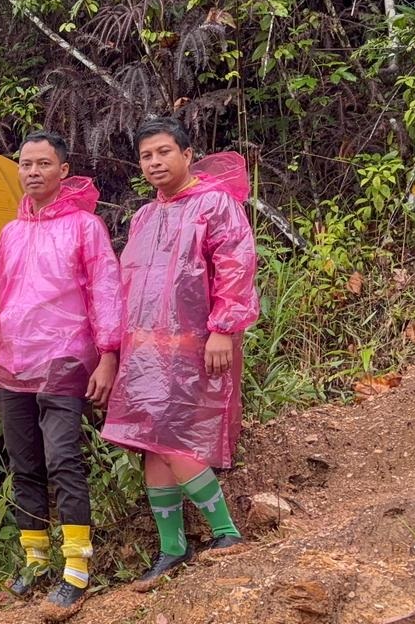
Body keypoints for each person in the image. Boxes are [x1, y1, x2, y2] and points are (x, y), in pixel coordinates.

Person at [0, 132, 122, 621]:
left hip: (65, 360)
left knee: (63, 461)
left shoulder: (85, 227)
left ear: (63, 170)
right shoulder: (11, 232)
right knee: (24, 465)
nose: (32, 172)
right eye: (25, 164)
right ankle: (34, 558)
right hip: (13, 366)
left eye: (43, 163)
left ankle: (77, 566)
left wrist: (109, 355)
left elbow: (106, 290)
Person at [100, 117, 259, 592]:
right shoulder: (145, 216)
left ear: (187, 155)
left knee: (176, 440)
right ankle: (172, 546)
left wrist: (223, 329)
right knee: (151, 441)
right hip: (145, 348)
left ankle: (227, 532)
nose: (155, 162)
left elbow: (236, 264)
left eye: (164, 152)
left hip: (194, 344)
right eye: (147, 156)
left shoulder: (215, 204)